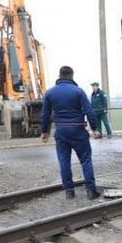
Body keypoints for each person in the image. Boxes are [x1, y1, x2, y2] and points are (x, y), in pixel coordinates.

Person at [41, 66, 102, 200]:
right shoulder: (78, 91)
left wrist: (44, 132)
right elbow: (89, 111)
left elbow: (45, 114)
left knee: (64, 161)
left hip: (61, 130)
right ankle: (91, 191)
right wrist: (94, 129)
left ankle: (69, 191)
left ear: (59, 75)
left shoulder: (50, 93)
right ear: (71, 76)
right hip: (78, 129)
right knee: (85, 160)